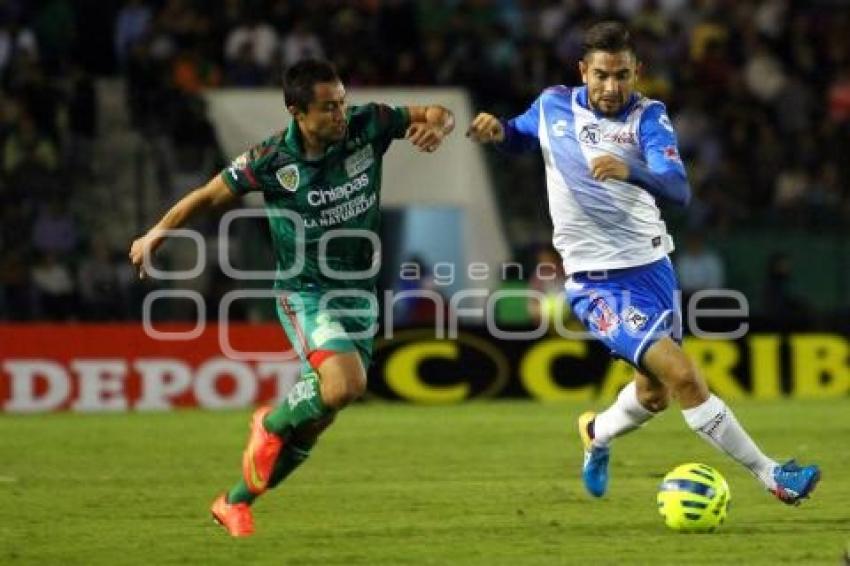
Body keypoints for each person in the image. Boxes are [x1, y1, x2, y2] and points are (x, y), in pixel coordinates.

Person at [467, 22, 819, 505]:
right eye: (602, 75)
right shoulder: (553, 105)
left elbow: (678, 189)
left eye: (622, 76)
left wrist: (629, 169)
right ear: (582, 71)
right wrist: (497, 131)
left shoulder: (649, 117)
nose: (612, 87)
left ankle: (597, 431)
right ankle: (773, 475)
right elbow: (519, 137)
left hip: (652, 267)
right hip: (596, 281)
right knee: (685, 377)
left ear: (638, 73)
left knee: (654, 395)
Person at [129, 59, 455, 536]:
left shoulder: (369, 123)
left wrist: (438, 129)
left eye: (342, 102)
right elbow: (206, 195)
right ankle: (270, 420)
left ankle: (234, 502)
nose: (341, 114)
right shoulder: (270, 159)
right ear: (296, 112)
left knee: (316, 423)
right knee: (345, 386)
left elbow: (439, 113)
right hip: (307, 291)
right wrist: (157, 232)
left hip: (360, 295)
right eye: (328, 108)